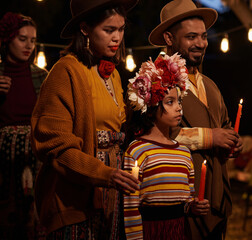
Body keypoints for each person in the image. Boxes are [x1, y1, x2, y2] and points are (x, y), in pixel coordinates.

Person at [30, 0, 140, 239]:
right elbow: (55, 145)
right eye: (109, 30)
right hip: (74, 197)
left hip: (111, 196)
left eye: (121, 29)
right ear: (84, 29)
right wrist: (104, 173)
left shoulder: (113, 75)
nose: (117, 38)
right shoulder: (66, 71)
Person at [148, 0, 243, 239]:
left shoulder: (210, 84)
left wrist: (233, 141)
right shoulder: (154, 81)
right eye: (191, 37)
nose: (200, 43)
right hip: (179, 202)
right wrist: (211, 137)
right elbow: (150, 135)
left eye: (203, 36)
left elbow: (225, 127)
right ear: (169, 39)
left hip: (216, 200)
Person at [123, 53, 210, 240]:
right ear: (151, 106)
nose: (179, 108)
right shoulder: (137, 150)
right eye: (170, 102)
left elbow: (186, 199)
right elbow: (130, 206)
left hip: (178, 231)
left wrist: (193, 206)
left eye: (179, 101)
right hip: (150, 232)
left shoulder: (184, 152)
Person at [0, 12, 48, 239]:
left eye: (33, 40)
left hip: (34, 158)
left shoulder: (42, 77)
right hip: (3, 159)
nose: (29, 45)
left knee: (33, 219)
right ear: (8, 38)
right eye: (22, 38)